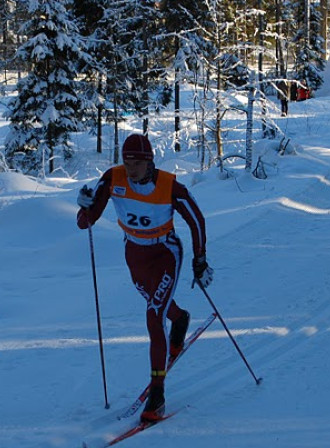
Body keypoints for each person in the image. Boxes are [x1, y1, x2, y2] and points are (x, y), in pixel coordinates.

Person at [76, 133, 213, 423]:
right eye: (126, 161)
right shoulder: (113, 178)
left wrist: (199, 260)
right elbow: (87, 220)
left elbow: (197, 220)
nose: (130, 168)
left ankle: (157, 393)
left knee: (153, 316)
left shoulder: (168, 186)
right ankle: (180, 319)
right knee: (157, 303)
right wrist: (84, 206)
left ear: (149, 161)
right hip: (134, 254)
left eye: (136, 162)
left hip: (165, 253)